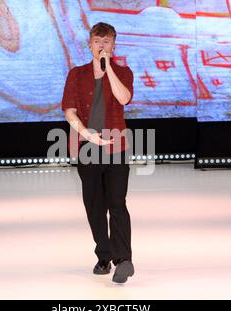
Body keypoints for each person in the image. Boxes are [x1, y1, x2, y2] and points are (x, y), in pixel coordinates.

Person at [61, 22, 134, 283]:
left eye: (107, 42)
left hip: (117, 148)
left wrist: (109, 69)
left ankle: (123, 259)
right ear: (89, 44)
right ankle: (103, 255)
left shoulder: (123, 72)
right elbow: (69, 111)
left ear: (114, 45)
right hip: (87, 148)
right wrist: (86, 134)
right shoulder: (77, 74)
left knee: (117, 203)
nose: (101, 46)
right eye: (97, 41)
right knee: (95, 206)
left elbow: (124, 98)